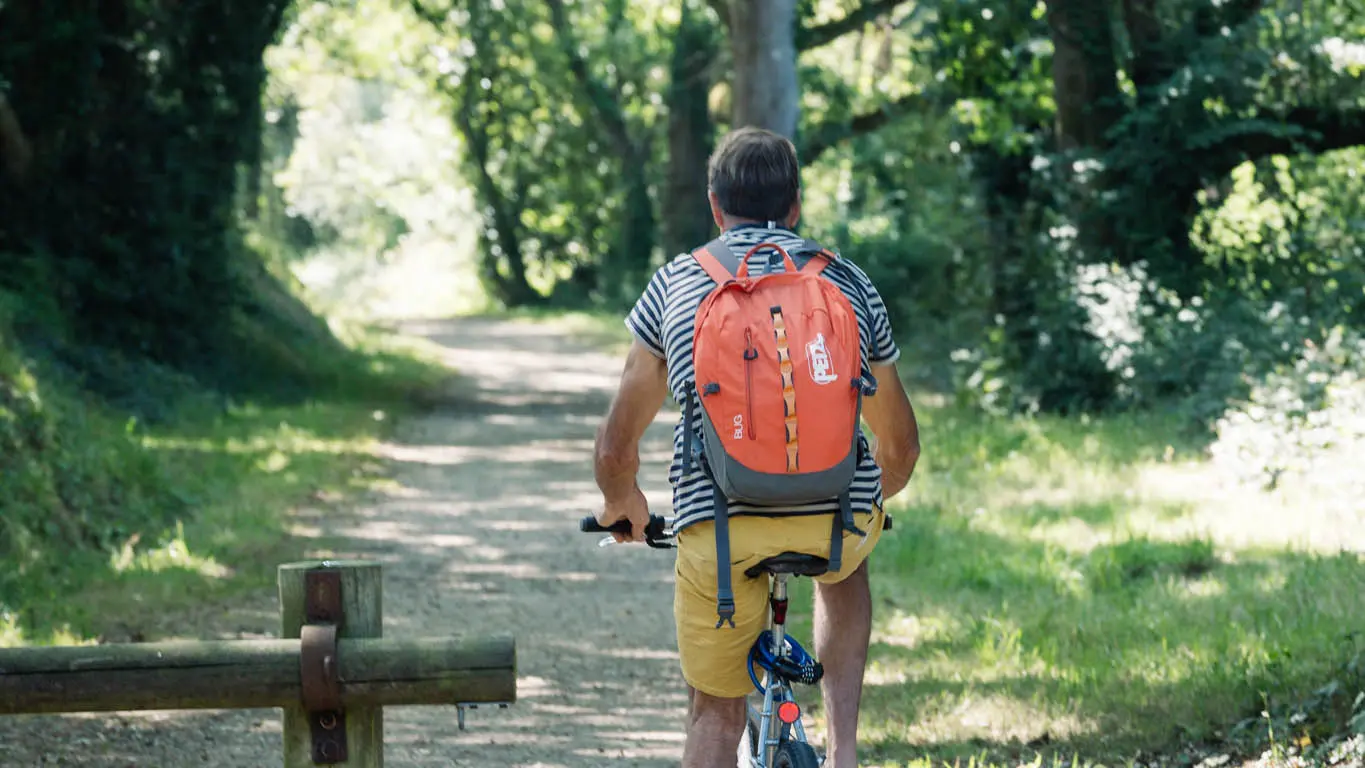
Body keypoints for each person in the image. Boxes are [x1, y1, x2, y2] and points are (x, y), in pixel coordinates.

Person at [592, 126, 921, 768]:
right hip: (833, 526)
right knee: (848, 563)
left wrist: (622, 503)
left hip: (718, 531)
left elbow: (615, 446)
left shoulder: (678, 284)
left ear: (716, 208)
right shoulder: (849, 282)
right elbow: (900, 447)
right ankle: (845, 749)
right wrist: (865, 498)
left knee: (712, 714)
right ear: (795, 205)